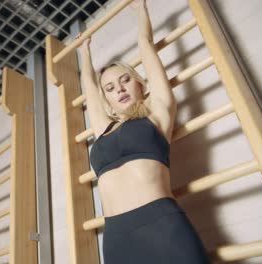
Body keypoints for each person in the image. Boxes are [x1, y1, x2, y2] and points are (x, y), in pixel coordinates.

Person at [75, 0, 211, 263]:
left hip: (162, 225)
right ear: (108, 100)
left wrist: (141, 11)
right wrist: (84, 52)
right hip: (116, 235)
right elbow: (89, 89)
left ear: (140, 84)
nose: (120, 90)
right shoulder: (103, 128)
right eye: (111, 88)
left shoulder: (157, 111)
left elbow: (146, 47)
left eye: (125, 80)